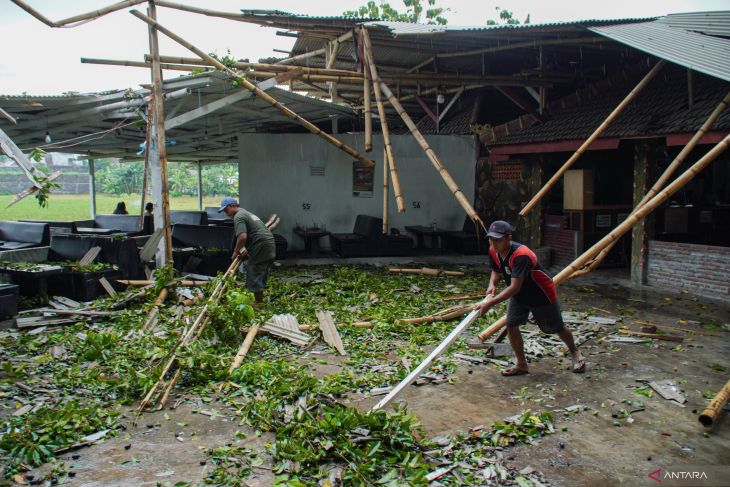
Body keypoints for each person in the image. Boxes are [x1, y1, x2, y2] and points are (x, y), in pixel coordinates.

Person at [475, 220, 585, 376]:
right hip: (519, 296)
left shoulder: (522, 256)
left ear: (508, 238)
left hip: (540, 295)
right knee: (512, 324)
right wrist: (491, 284)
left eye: (497, 240)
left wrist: (490, 303)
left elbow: (514, 287)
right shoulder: (493, 249)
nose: (493, 243)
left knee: (555, 328)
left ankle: (575, 352)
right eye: (491, 239)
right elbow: (496, 270)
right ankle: (521, 364)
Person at [218, 197, 276, 305]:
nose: (226, 213)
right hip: (269, 244)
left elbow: (243, 237)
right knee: (260, 271)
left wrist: (236, 252)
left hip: (261, 245)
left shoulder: (238, 216)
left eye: (226, 210)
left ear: (232, 206)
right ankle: (260, 300)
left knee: (253, 269)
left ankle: (258, 302)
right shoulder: (246, 213)